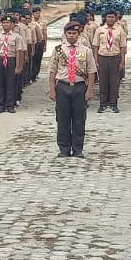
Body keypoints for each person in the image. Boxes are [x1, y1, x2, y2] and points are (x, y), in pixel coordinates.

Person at [50, 22, 96, 158]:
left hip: (79, 87)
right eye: (69, 33)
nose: (71, 36)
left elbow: (91, 71)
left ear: (79, 34)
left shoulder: (86, 50)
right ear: (65, 34)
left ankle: (77, 148)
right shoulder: (58, 50)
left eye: (74, 33)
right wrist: (52, 90)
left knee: (79, 119)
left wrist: (90, 90)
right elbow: (52, 71)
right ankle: (64, 148)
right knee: (62, 119)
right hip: (63, 86)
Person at [93, 12, 127, 113]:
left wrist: (122, 61)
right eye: (108, 17)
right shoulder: (100, 30)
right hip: (102, 58)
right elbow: (95, 46)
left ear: (116, 18)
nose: (110, 19)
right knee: (103, 82)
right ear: (105, 18)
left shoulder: (120, 30)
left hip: (115, 58)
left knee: (114, 82)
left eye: (112, 17)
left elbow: (122, 47)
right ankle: (102, 104)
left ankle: (113, 104)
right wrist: (96, 60)